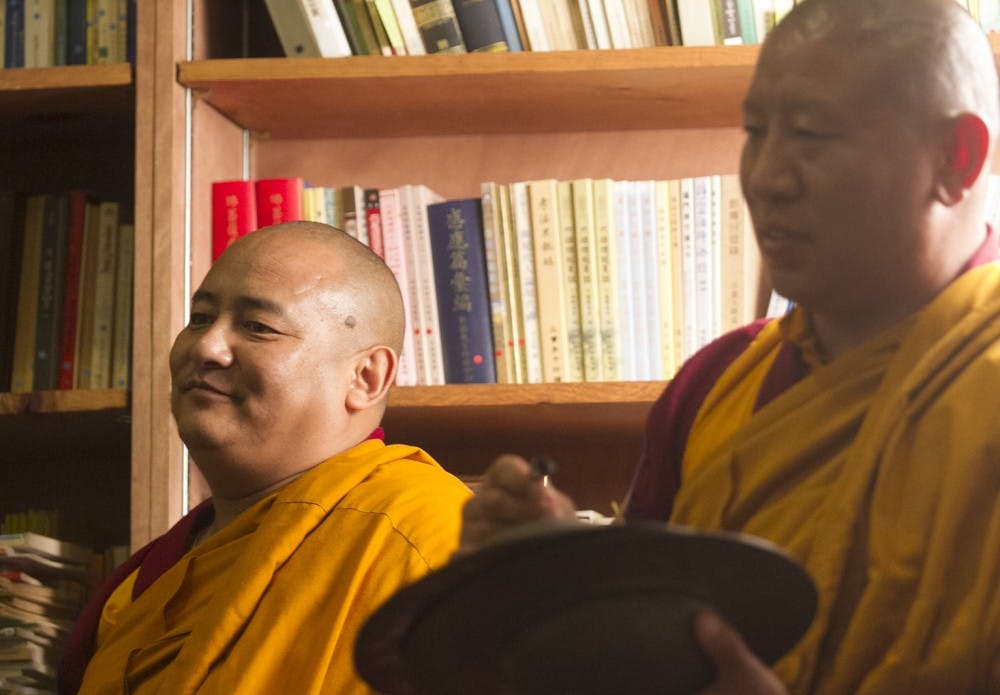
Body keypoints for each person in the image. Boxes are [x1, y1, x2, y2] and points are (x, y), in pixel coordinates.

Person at [462, 0, 1000, 693]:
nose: (766, 179)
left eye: (811, 135)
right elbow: (652, 636)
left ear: (957, 158)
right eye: (755, 131)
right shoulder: (717, 381)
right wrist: (562, 564)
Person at [58, 222, 472, 694]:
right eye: (199, 318)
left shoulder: (426, 538)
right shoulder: (160, 574)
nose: (206, 346)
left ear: (365, 377)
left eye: (258, 327)